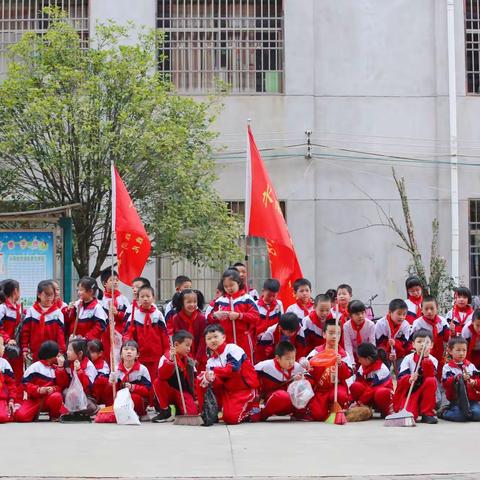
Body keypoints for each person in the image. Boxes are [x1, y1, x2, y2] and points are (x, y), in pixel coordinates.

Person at [198, 324, 259, 425]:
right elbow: (217, 383)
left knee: (231, 419)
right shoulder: (210, 361)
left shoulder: (232, 348)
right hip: (228, 391)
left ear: (224, 337)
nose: (213, 340)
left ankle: (253, 406)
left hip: (244, 389)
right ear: (206, 342)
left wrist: (214, 371)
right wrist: (210, 378)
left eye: (215, 337)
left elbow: (234, 369)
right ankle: (208, 412)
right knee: (202, 379)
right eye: (209, 338)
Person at [123, 285, 169, 399]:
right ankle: (145, 402)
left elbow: (164, 334)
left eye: (148, 296)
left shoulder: (158, 315)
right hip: (140, 354)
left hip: (156, 354)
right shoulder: (134, 315)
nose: (145, 299)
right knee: (143, 379)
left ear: (153, 298)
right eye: (142, 296)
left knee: (155, 379)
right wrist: (128, 343)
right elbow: (127, 333)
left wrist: (167, 350)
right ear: (137, 299)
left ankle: (154, 402)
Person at [306, 318, 354, 422]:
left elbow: (348, 374)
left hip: (336, 388)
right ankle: (325, 408)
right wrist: (308, 367)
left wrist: (340, 364)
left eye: (337, 333)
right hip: (320, 389)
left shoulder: (343, 354)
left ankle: (336, 408)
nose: (334, 336)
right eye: (331, 333)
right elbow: (307, 369)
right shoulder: (316, 352)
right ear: (324, 334)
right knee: (318, 415)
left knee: (340, 396)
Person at [207, 269, 259, 361]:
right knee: (227, 363)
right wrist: (215, 316)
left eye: (231, 285)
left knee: (246, 363)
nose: (229, 288)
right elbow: (210, 321)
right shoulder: (220, 301)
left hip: (244, 338)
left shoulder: (246, 299)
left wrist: (239, 315)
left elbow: (255, 316)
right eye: (226, 286)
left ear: (238, 283)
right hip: (224, 339)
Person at [393, 329, 438, 424]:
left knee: (431, 380)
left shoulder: (433, 360)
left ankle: (427, 413)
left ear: (431, 345)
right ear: (413, 344)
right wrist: (409, 378)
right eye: (419, 342)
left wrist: (425, 359)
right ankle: (412, 409)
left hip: (424, 389)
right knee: (410, 414)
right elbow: (401, 378)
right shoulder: (408, 359)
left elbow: (430, 374)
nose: (422, 344)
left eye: (426, 342)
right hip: (411, 390)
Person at [15, 340, 67, 422]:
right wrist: (38, 390)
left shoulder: (56, 368)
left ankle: (55, 416)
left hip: (49, 399)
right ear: (51, 355)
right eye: (57, 353)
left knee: (57, 396)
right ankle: (34, 413)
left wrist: (53, 389)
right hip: (34, 400)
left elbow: (62, 385)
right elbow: (25, 385)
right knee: (20, 416)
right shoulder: (35, 367)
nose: (59, 355)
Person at [152, 330, 198, 423]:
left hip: (182, 391)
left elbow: (194, 380)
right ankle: (165, 410)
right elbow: (162, 376)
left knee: (192, 413)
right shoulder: (166, 357)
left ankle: (178, 408)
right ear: (176, 344)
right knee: (158, 382)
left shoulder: (189, 361)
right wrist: (171, 361)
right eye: (187, 345)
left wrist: (195, 398)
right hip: (168, 391)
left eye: (190, 346)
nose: (189, 349)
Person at [254, 341, 305, 421]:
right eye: (288, 359)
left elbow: (311, 382)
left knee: (306, 391)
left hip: (290, 405)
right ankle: (262, 414)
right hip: (272, 402)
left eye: (293, 358)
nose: (291, 362)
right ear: (277, 358)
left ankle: (299, 415)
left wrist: (302, 379)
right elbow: (250, 377)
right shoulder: (265, 366)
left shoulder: (298, 367)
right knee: (282, 396)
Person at [21, 280, 66, 362]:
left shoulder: (58, 312)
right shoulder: (31, 311)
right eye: (46, 295)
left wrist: (61, 351)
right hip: (35, 352)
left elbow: (60, 334)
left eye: (51, 295)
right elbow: (25, 331)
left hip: (52, 352)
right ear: (39, 295)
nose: (49, 298)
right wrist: (24, 348)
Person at [108, 340, 152, 419]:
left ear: (137, 354)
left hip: (137, 398)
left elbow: (147, 391)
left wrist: (133, 387)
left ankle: (141, 413)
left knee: (134, 397)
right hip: (121, 398)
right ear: (121, 354)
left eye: (132, 349)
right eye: (126, 349)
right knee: (107, 387)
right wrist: (111, 382)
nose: (129, 352)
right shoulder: (116, 369)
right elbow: (113, 390)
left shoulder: (142, 369)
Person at [440, 336, 480, 422]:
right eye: (458, 350)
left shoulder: (471, 366)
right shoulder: (447, 367)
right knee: (460, 417)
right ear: (450, 351)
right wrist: (459, 377)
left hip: (471, 400)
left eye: (464, 350)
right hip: (455, 400)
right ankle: (444, 412)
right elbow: (446, 383)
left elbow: (478, 380)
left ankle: (468, 413)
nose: (461, 353)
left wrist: (474, 382)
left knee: (477, 414)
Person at [350, 343, 393, 417]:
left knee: (381, 393)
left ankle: (385, 411)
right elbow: (358, 383)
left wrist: (360, 402)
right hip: (367, 397)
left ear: (368, 358)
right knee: (355, 386)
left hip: (379, 397)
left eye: (360, 358)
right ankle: (366, 410)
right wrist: (350, 402)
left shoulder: (381, 369)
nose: (359, 361)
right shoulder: (362, 367)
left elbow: (372, 389)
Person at [57, 338, 98, 416]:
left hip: (87, 396)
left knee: (89, 407)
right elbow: (63, 384)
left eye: (70, 350)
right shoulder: (69, 364)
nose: (67, 352)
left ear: (80, 353)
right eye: (67, 350)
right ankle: (74, 410)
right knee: (65, 392)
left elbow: (87, 387)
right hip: (71, 393)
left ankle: (76, 410)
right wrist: (60, 368)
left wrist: (79, 371)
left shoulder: (89, 366)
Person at [411, 296, 450, 376]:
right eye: (426, 309)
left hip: (439, 354)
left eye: (432, 308)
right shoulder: (417, 323)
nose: (429, 311)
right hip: (423, 354)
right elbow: (412, 341)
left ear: (437, 308)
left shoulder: (442, 321)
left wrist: (451, 331)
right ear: (421, 310)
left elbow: (447, 338)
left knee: (439, 373)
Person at [170, 289, 207, 371]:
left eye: (194, 302)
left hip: (200, 355)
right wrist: (188, 357)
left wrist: (198, 358)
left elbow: (203, 339)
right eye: (189, 302)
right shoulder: (176, 318)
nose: (192, 304)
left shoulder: (201, 318)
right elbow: (179, 339)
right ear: (182, 303)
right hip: (183, 354)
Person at [99, 269, 130, 365]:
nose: (115, 282)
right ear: (105, 283)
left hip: (120, 333)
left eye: (117, 280)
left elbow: (127, 317)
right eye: (112, 280)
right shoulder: (101, 300)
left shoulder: (123, 299)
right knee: (107, 356)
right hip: (106, 334)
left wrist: (117, 313)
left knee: (119, 357)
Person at [375, 298, 411, 369]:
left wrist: (396, 344)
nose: (402, 317)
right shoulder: (381, 324)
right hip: (384, 355)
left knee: (403, 370)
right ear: (390, 312)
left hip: (399, 354)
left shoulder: (406, 325)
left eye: (404, 314)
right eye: (399, 314)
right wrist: (388, 355)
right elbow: (378, 343)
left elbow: (405, 343)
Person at [0, 279, 23, 388]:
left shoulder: (19, 309)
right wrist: (7, 339)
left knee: (17, 374)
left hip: (16, 348)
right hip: (4, 348)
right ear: (15, 291)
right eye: (19, 290)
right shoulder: (2, 308)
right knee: (5, 374)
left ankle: (15, 400)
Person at [87, 339, 111, 406]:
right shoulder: (86, 361)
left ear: (100, 353)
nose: (89, 354)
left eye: (92, 352)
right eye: (88, 352)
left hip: (98, 396)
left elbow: (100, 385)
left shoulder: (103, 366)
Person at [0, 336, 16, 422]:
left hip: (1, 399)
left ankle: (8, 408)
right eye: (2, 345)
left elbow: (11, 384)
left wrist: (11, 399)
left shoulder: (4, 363)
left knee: (2, 417)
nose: (4, 348)